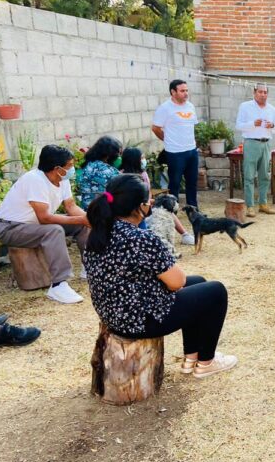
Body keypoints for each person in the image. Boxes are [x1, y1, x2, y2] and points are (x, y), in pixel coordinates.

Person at [83, 174, 237, 378]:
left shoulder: (99, 234)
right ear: (140, 207)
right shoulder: (140, 238)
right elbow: (177, 282)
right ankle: (207, 361)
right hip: (140, 320)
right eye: (148, 200)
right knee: (216, 291)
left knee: (198, 282)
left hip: (114, 314)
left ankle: (192, 357)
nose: (151, 203)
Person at [0, 145, 88, 304]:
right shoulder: (34, 179)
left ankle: (91, 268)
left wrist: (91, 219)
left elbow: (71, 207)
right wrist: (82, 219)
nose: (72, 169)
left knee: (84, 225)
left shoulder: (61, 178)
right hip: (10, 228)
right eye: (70, 166)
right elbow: (44, 218)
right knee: (54, 231)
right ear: (57, 168)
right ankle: (59, 285)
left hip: (34, 225)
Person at [120, 148, 194, 243]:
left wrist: (153, 201)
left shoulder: (143, 174)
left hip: (146, 206)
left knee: (166, 210)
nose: (144, 160)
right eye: (141, 158)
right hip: (134, 210)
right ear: (134, 160)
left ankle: (185, 235)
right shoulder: (121, 176)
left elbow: (148, 192)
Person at [152, 79, 200, 209]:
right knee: (175, 183)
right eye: (182, 91)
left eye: (187, 90)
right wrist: (167, 139)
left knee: (192, 182)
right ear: (173, 92)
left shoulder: (190, 106)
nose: (186, 93)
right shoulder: (165, 108)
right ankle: (173, 210)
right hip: (175, 153)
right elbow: (155, 128)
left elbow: (191, 127)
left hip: (191, 150)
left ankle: (193, 208)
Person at [235, 83, 275, 217]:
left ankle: (263, 203)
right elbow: (238, 125)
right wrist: (253, 124)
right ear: (254, 93)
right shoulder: (245, 106)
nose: (263, 95)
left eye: (265, 92)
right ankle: (250, 206)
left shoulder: (271, 109)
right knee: (249, 175)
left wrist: (272, 125)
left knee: (264, 175)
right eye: (260, 92)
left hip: (266, 143)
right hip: (251, 143)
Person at [76, 136, 122, 210]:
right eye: (118, 153)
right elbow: (124, 184)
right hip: (102, 212)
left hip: (87, 208)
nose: (119, 156)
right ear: (108, 154)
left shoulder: (89, 164)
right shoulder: (103, 169)